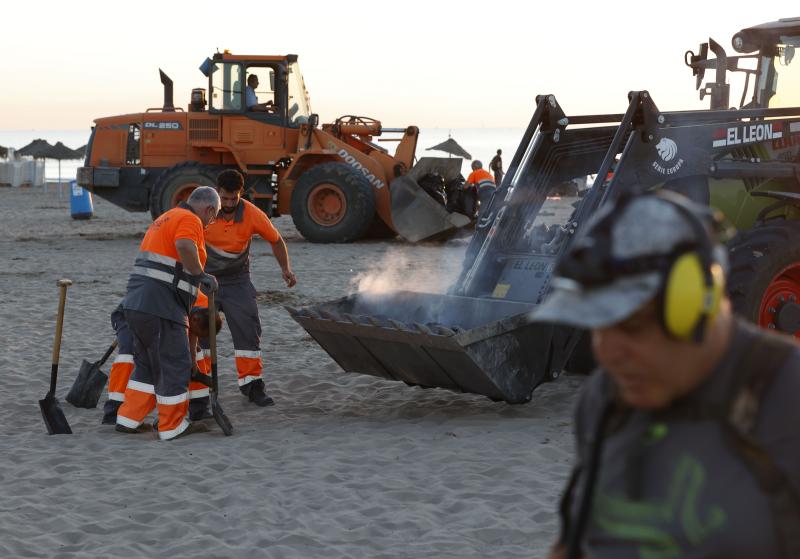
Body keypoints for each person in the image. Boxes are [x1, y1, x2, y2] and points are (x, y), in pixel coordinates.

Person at [533, 190, 800, 559]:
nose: (607, 353)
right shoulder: (605, 400)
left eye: (631, 325)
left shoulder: (786, 398)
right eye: (597, 325)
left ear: (695, 305)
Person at [115, 186, 221, 441]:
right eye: (214, 215)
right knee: (175, 364)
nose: (212, 221)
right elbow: (184, 245)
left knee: (147, 366)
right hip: (161, 307)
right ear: (208, 209)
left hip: (136, 305)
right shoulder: (190, 219)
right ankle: (172, 426)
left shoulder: (165, 218)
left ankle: (128, 419)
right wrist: (200, 275)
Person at [190, 169, 296, 417]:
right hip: (205, 280)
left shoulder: (251, 213)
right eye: (224, 198)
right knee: (200, 330)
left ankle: (252, 386)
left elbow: (276, 239)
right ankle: (201, 389)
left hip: (238, 280)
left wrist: (286, 270)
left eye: (233, 199)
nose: (227, 204)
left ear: (241, 194)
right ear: (217, 192)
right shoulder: (204, 213)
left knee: (248, 330)